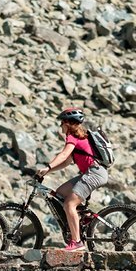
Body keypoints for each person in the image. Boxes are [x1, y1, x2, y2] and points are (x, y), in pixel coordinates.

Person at [36, 107, 109, 251]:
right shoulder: (79, 138)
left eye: (61, 123)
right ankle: (85, 217)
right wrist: (48, 172)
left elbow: (63, 155)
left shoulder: (73, 137)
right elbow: (65, 162)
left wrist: (47, 167)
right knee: (60, 193)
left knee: (69, 205)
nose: (60, 126)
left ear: (68, 123)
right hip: (92, 172)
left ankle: (77, 242)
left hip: (94, 173)